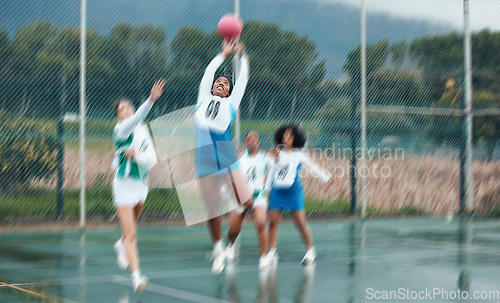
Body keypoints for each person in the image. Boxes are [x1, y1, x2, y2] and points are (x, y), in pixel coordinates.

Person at [194, 39, 253, 274]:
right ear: (212, 87)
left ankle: (230, 243)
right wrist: (223, 55)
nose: (221, 83)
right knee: (213, 210)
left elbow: (244, 80)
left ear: (229, 91)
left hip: (227, 158)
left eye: (225, 83)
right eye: (218, 82)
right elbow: (209, 72)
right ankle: (218, 248)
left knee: (246, 203)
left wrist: (242, 54)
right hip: (205, 159)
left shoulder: (231, 104)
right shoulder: (202, 100)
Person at [112, 79, 165, 294]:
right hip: (124, 185)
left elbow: (152, 158)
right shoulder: (122, 129)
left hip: (141, 183)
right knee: (132, 233)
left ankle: (121, 243)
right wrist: (151, 100)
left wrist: (138, 155)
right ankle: (136, 277)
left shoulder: (142, 131)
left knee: (132, 226)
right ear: (118, 115)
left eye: (127, 106)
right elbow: (137, 118)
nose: (126, 110)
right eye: (121, 108)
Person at [260, 125, 333, 265]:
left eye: (290, 136)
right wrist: (265, 191)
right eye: (285, 136)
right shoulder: (276, 153)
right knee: (273, 222)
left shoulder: (298, 155)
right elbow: (271, 174)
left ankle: (310, 251)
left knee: (300, 223)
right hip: (277, 192)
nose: (286, 139)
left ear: (295, 139)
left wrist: (328, 179)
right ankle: (272, 252)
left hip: (293, 192)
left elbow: (314, 168)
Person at [225, 131, 274, 270]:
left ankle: (264, 257)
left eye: (254, 139)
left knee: (261, 223)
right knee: (233, 230)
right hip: (241, 197)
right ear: (246, 143)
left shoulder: (266, 157)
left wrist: (266, 190)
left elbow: (276, 167)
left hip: (259, 197)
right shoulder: (240, 160)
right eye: (248, 139)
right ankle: (230, 245)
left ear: (258, 142)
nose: (251, 141)